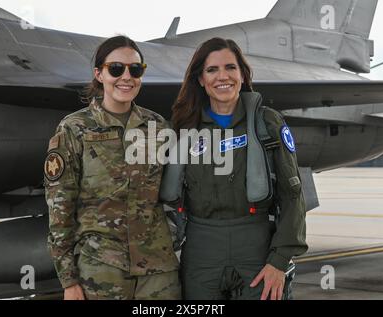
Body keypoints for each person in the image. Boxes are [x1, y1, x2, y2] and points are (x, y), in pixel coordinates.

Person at [166, 37, 308, 300]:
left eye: (230, 67)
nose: (223, 76)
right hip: (201, 252)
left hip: (255, 249)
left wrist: (279, 261)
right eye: (212, 70)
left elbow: (293, 195)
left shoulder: (266, 123)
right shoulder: (186, 127)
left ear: (242, 74)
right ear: (200, 79)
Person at [44, 36, 180, 300]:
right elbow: (59, 209)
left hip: (159, 271)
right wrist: (68, 281)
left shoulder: (158, 126)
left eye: (135, 69)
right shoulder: (73, 129)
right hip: (101, 269)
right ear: (99, 73)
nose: (126, 77)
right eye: (116, 69)